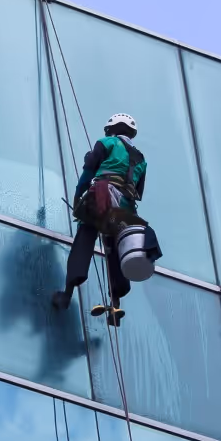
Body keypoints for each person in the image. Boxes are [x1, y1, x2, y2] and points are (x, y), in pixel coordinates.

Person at [52, 113, 156, 319]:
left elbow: (88, 172)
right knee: (114, 248)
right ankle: (115, 303)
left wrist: (77, 196)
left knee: (85, 236)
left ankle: (67, 294)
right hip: (125, 208)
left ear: (111, 129)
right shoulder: (141, 159)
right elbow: (138, 191)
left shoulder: (106, 143)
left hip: (103, 197)